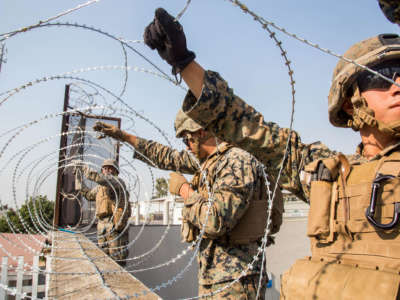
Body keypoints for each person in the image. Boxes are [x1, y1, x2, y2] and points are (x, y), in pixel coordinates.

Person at [143, 8, 400, 299]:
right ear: (350, 102)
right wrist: (184, 62)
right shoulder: (326, 173)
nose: (397, 86)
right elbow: (249, 127)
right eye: (384, 76)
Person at [93, 110, 284, 299]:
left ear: (201, 132)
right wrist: (125, 137)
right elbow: (166, 156)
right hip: (215, 274)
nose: (186, 147)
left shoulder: (236, 161)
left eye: (187, 140)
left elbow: (215, 220)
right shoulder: (210, 161)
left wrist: (184, 190)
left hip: (237, 278)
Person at [75, 159, 131, 266]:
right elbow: (88, 194)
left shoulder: (118, 183)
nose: (107, 170)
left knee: (117, 261)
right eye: (105, 168)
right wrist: (78, 176)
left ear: (115, 171)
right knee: (104, 260)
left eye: (110, 168)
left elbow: (104, 179)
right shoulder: (100, 188)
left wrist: (84, 167)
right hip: (102, 227)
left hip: (115, 227)